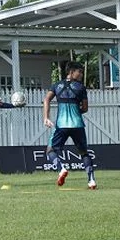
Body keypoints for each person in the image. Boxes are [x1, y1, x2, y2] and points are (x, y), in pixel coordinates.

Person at [43, 61, 97, 190]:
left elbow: (46, 99)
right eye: (79, 71)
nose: (81, 74)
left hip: (61, 125)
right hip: (77, 124)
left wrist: (46, 117)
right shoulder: (81, 88)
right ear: (71, 72)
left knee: (50, 150)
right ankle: (91, 180)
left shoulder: (56, 85)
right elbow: (85, 108)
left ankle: (61, 169)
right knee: (84, 153)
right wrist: (77, 110)